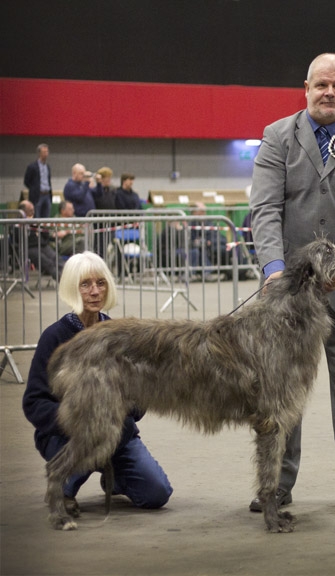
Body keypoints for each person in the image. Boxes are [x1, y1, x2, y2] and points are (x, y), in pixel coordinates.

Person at [249, 52, 335, 513]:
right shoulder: (276, 137)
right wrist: (272, 269)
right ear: (305, 89)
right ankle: (277, 485)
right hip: (286, 295)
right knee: (282, 392)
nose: (329, 93)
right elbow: (265, 209)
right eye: (321, 85)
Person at [22, 251, 173, 517]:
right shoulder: (55, 337)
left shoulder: (120, 336)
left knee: (157, 493)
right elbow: (34, 402)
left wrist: (120, 411)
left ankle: (113, 478)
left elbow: (140, 400)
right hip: (67, 436)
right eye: (85, 284)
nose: (94, 291)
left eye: (100, 283)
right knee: (65, 479)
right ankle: (66, 487)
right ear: (72, 288)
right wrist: (78, 421)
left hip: (116, 436)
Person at [18, 200, 64, 281]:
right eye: (30, 210)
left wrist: (39, 227)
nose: (33, 212)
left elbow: (45, 235)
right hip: (29, 248)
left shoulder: (35, 221)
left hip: (43, 246)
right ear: (23, 212)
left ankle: (67, 276)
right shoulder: (17, 224)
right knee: (47, 262)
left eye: (33, 210)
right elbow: (18, 239)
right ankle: (61, 279)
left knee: (56, 258)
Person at [23, 144, 53, 219]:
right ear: (39, 153)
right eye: (44, 152)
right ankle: (37, 231)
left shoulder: (47, 166)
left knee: (46, 217)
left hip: (47, 195)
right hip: (37, 196)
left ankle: (45, 231)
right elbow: (26, 181)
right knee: (37, 216)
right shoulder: (32, 166)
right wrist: (34, 189)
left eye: (47, 152)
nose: (46, 154)